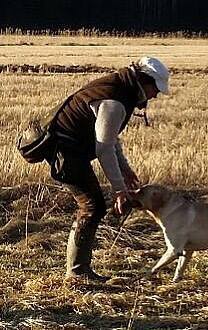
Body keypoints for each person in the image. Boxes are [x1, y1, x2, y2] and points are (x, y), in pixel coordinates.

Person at [47, 56, 169, 282]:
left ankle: (78, 270)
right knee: (92, 206)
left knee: (93, 206)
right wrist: (120, 190)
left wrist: (125, 169)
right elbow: (104, 149)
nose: (155, 95)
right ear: (143, 82)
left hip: (71, 150)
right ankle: (77, 272)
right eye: (156, 89)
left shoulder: (120, 89)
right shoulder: (114, 102)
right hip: (65, 153)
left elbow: (111, 139)